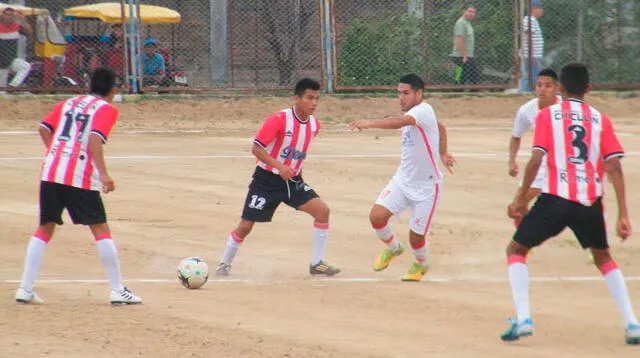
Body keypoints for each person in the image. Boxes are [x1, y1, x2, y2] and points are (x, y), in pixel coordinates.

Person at [502, 63, 640, 344]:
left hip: (555, 197)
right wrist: (623, 214)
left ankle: (524, 318)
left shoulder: (548, 115)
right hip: (589, 200)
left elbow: (536, 159)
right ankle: (632, 323)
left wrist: (520, 200)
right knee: (604, 258)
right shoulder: (600, 119)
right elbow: (613, 166)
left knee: (516, 250)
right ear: (589, 89)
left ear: (560, 89)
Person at [15, 68, 143, 306]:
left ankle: (25, 287)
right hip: (78, 174)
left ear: (89, 85)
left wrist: (57, 153)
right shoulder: (106, 109)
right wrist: (103, 174)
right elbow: (95, 138)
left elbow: (43, 128)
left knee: (44, 227)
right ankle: (117, 289)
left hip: (51, 170)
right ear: (112, 91)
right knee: (99, 227)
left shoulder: (69, 102)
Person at [214, 78, 340, 277]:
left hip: (292, 181)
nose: (314, 103)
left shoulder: (314, 125)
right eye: (309, 98)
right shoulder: (279, 119)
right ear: (297, 98)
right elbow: (257, 148)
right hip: (266, 180)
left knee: (322, 211)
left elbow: (298, 154)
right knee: (246, 225)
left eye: (317, 98)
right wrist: (279, 166)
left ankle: (317, 263)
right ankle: (224, 263)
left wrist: (298, 178)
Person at [349, 74, 456, 281]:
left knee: (416, 239)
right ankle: (394, 248)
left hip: (426, 188)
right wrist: (443, 152)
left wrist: (369, 124)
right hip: (402, 180)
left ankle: (421, 264)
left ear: (419, 93)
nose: (401, 98)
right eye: (399, 93)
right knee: (376, 217)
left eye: (406, 93)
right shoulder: (417, 114)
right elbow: (440, 127)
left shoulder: (422, 111)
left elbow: (399, 122)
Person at [508, 68, 560, 221]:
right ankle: (524, 238)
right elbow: (516, 136)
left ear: (557, 88)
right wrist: (512, 161)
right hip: (541, 161)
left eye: (548, 86)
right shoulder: (526, 110)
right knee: (519, 204)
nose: (542, 89)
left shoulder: (566, 107)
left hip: (564, 162)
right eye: (539, 85)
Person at [0, 7, 32, 90]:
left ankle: (12, 86)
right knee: (1, 91)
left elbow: (30, 32)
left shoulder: (16, 27)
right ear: (2, 16)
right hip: (1, 62)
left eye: (11, 15)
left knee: (25, 66)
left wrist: (23, 20)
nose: (9, 17)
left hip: (11, 59)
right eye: (7, 15)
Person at [450, 2, 478, 85]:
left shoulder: (467, 23)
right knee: (471, 77)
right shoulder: (461, 23)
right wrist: (464, 55)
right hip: (461, 56)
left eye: (473, 12)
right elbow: (459, 40)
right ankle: (456, 93)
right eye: (470, 11)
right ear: (464, 11)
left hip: (467, 55)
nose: (472, 14)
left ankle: (457, 92)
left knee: (462, 76)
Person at [520, 0, 545, 92]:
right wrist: (531, 56)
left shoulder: (533, 20)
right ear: (534, 9)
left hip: (534, 55)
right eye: (540, 8)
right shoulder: (529, 20)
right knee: (532, 78)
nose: (541, 11)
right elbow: (529, 38)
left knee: (530, 77)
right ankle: (525, 94)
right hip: (531, 55)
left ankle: (524, 94)